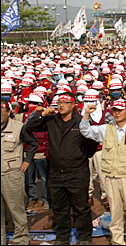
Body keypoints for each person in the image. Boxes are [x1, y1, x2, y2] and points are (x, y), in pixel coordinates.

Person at [25, 92, 94, 245]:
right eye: (59, 102)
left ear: (73, 105)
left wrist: (79, 156)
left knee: (81, 207)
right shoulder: (51, 120)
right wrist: (42, 114)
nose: (61, 105)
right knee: (59, 208)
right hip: (56, 172)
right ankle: (62, 237)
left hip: (77, 172)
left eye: (65, 102)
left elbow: (92, 143)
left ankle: (84, 237)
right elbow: (29, 127)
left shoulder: (80, 121)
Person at [80, 99, 126, 245]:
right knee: (115, 213)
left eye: (120, 110)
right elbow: (85, 130)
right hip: (110, 177)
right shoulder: (106, 129)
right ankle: (118, 241)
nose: (117, 113)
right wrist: (86, 114)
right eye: (115, 110)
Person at [1, 101, 38, 245]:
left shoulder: (19, 127)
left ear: (9, 112)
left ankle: (21, 241)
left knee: (17, 211)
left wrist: (27, 161)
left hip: (12, 174)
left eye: (2, 110)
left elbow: (33, 143)